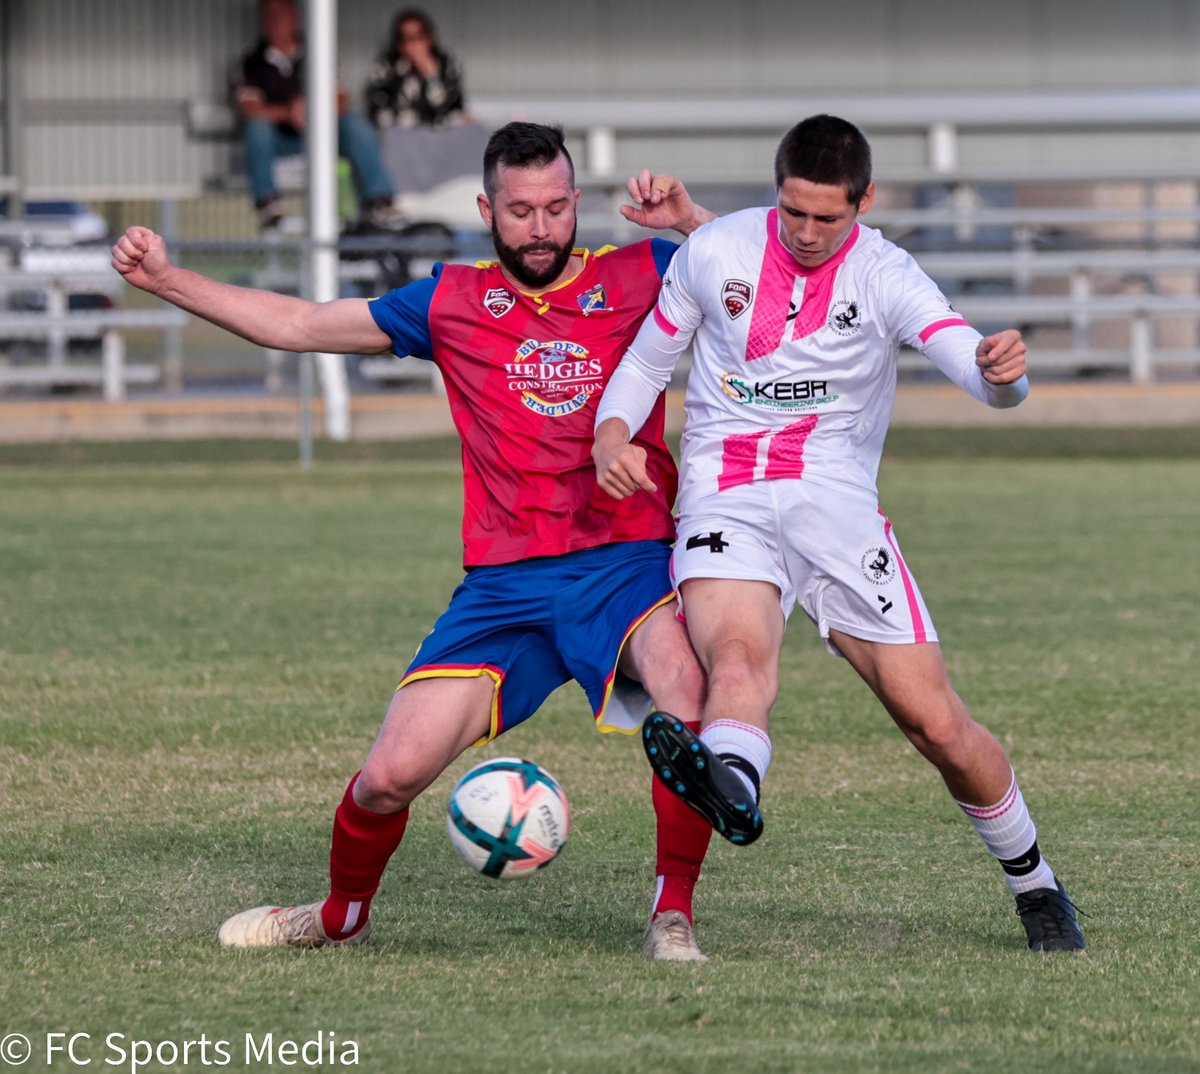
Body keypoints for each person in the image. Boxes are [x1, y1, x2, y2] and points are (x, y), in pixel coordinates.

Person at [111, 122, 721, 962]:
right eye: (520, 212)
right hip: (503, 584)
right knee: (388, 776)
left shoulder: (641, 271)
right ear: (486, 211)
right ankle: (340, 916)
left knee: (685, 691)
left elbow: (759, 273)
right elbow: (300, 323)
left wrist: (689, 222)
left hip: (624, 560)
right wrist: (166, 279)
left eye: (555, 208)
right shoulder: (451, 300)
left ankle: (671, 916)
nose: (540, 228)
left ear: (577, 202)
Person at [592, 114, 1087, 953]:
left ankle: (1034, 883)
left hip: (837, 509)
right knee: (736, 660)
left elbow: (976, 368)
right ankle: (734, 784)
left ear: (864, 201)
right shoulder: (714, 250)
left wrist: (1004, 377)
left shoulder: (887, 274)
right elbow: (645, 363)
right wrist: (611, 434)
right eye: (794, 212)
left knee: (935, 724)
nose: (808, 232)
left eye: (828, 216)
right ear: (774, 193)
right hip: (726, 497)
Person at [236, 0, 404, 231]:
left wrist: (312, 110)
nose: (275, 21)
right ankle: (268, 203)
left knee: (355, 124)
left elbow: (341, 100)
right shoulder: (252, 62)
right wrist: (288, 113)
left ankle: (379, 200)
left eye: (281, 15)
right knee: (257, 128)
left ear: (295, 17)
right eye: (269, 16)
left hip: (323, 136)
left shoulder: (319, 50)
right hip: (283, 141)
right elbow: (249, 108)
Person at [366, 8, 470, 131]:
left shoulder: (446, 63)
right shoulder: (388, 65)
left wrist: (431, 76)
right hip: (400, 131)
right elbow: (379, 110)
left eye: (417, 37)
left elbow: (453, 108)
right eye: (404, 38)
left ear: (429, 38)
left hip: (441, 131)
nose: (411, 45)